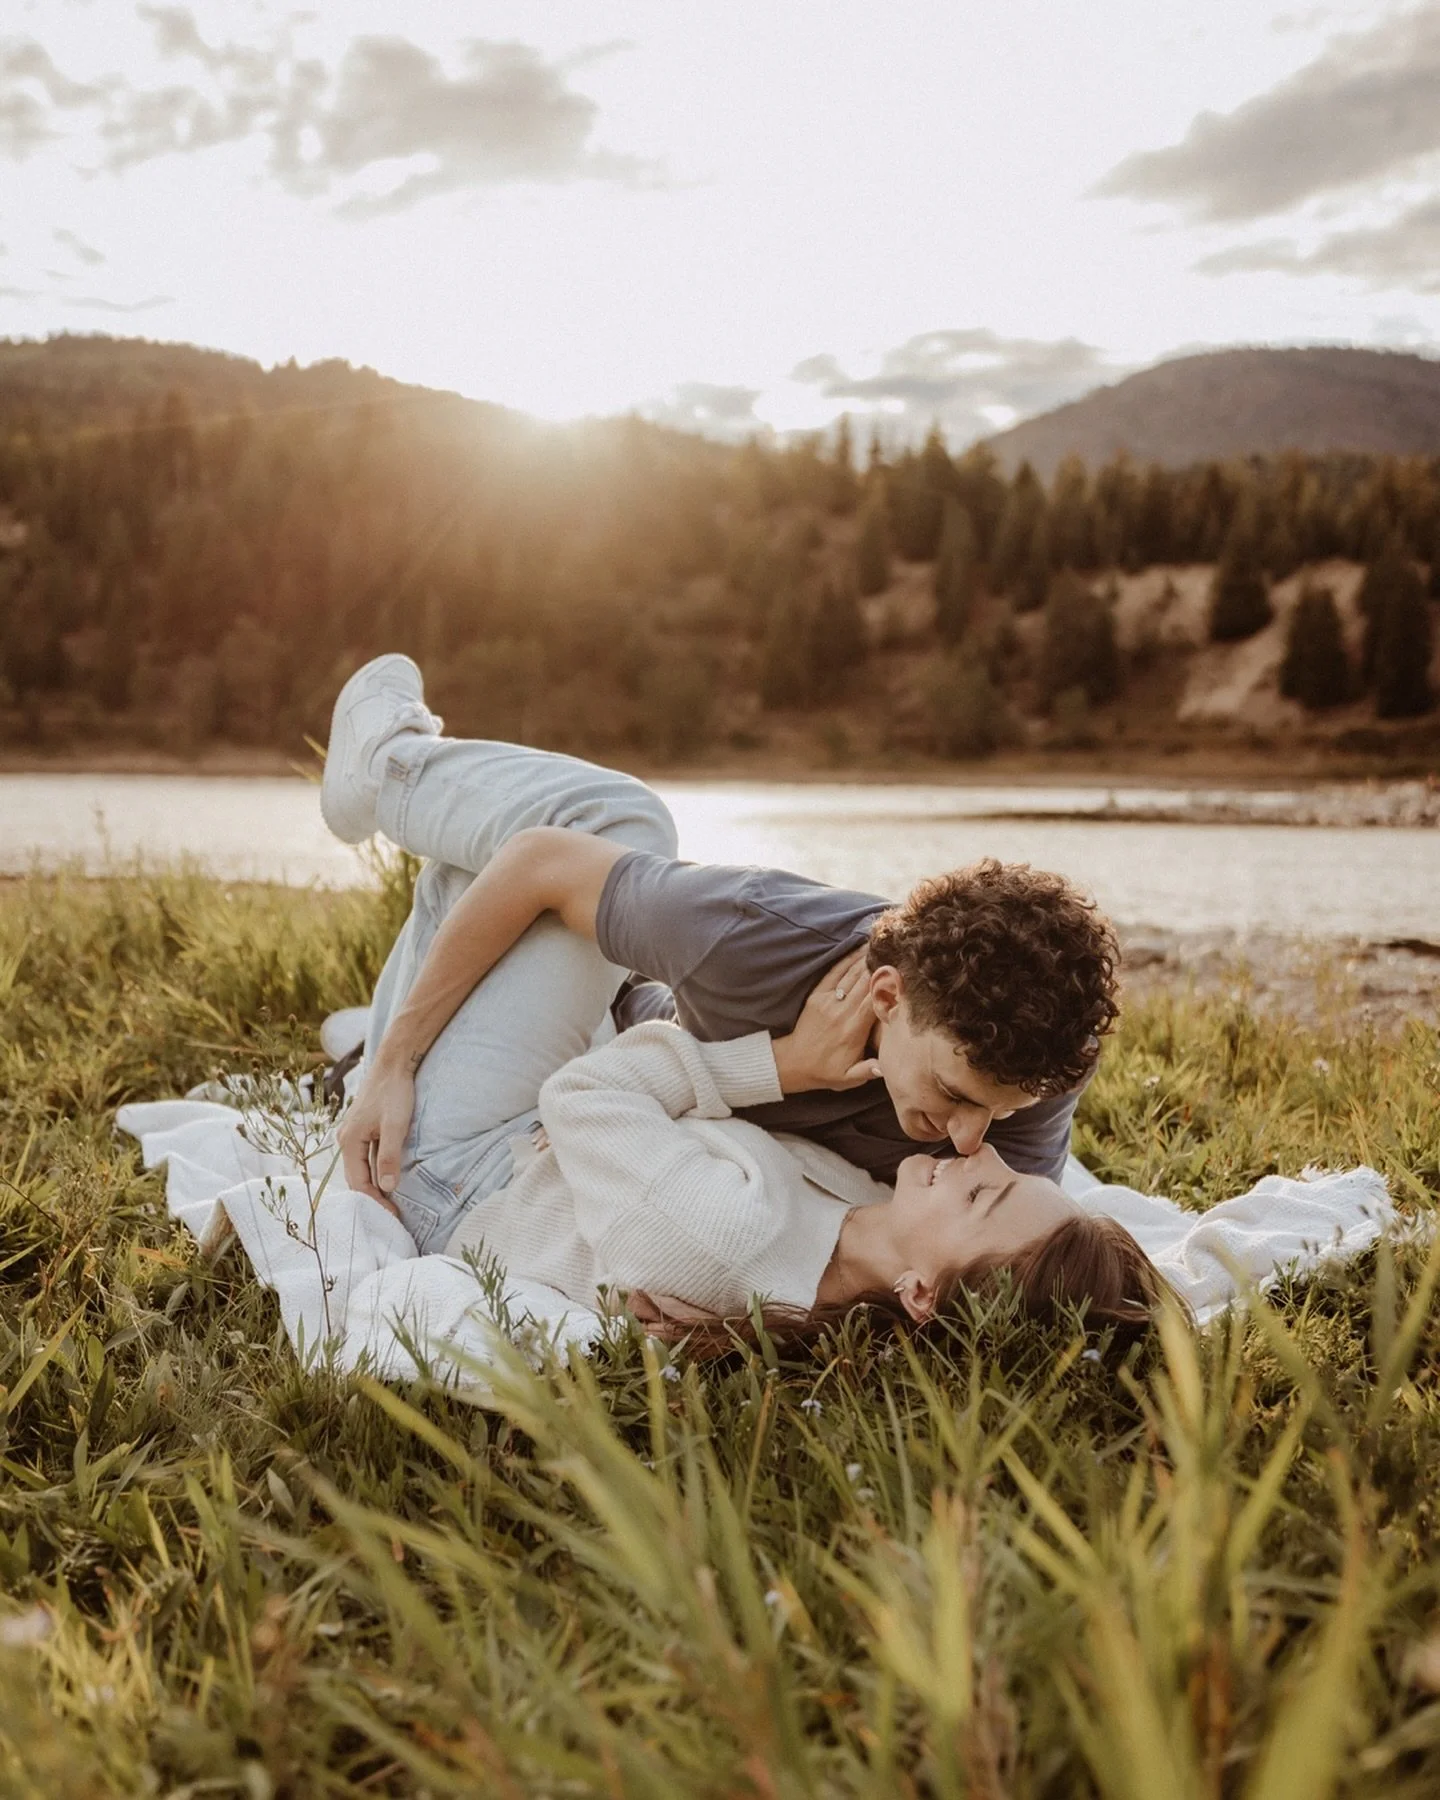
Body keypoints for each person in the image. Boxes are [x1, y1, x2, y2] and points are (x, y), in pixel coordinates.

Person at [321, 655, 1120, 1225]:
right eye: (956, 1095)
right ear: (887, 995)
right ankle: (389, 762)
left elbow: (1008, 1243)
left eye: (1002, 1113)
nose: (973, 1142)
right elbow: (538, 864)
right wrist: (395, 1065)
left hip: (560, 1108)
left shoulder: (1032, 1066)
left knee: (489, 881)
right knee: (622, 820)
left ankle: (383, 1017)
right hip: (596, 1056)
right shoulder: (753, 934)